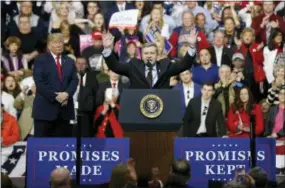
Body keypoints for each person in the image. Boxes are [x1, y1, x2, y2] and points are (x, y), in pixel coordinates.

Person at [101, 30, 198, 89]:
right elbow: (115, 66)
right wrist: (107, 49)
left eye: (152, 53)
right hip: (139, 109)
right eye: (146, 53)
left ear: (156, 55)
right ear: (142, 55)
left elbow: (184, 65)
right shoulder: (133, 66)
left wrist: (192, 46)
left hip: (161, 109)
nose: (149, 55)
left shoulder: (166, 65)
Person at [32, 33, 78, 137]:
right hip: (45, 112)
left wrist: (66, 94)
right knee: (42, 148)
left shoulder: (70, 61)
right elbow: (39, 82)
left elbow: (74, 80)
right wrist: (56, 96)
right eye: (55, 42)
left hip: (64, 112)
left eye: (60, 42)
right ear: (49, 45)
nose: (58, 45)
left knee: (62, 148)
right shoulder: (40, 60)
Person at [73, 57, 98, 137]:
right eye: (78, 63)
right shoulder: (69, 76)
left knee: (86, 134)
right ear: (75, 64)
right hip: (72, 110)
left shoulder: (93, 77)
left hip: (87, 112)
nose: (80, 65)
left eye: (83, 64)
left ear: (87, 65)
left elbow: (95, 93)